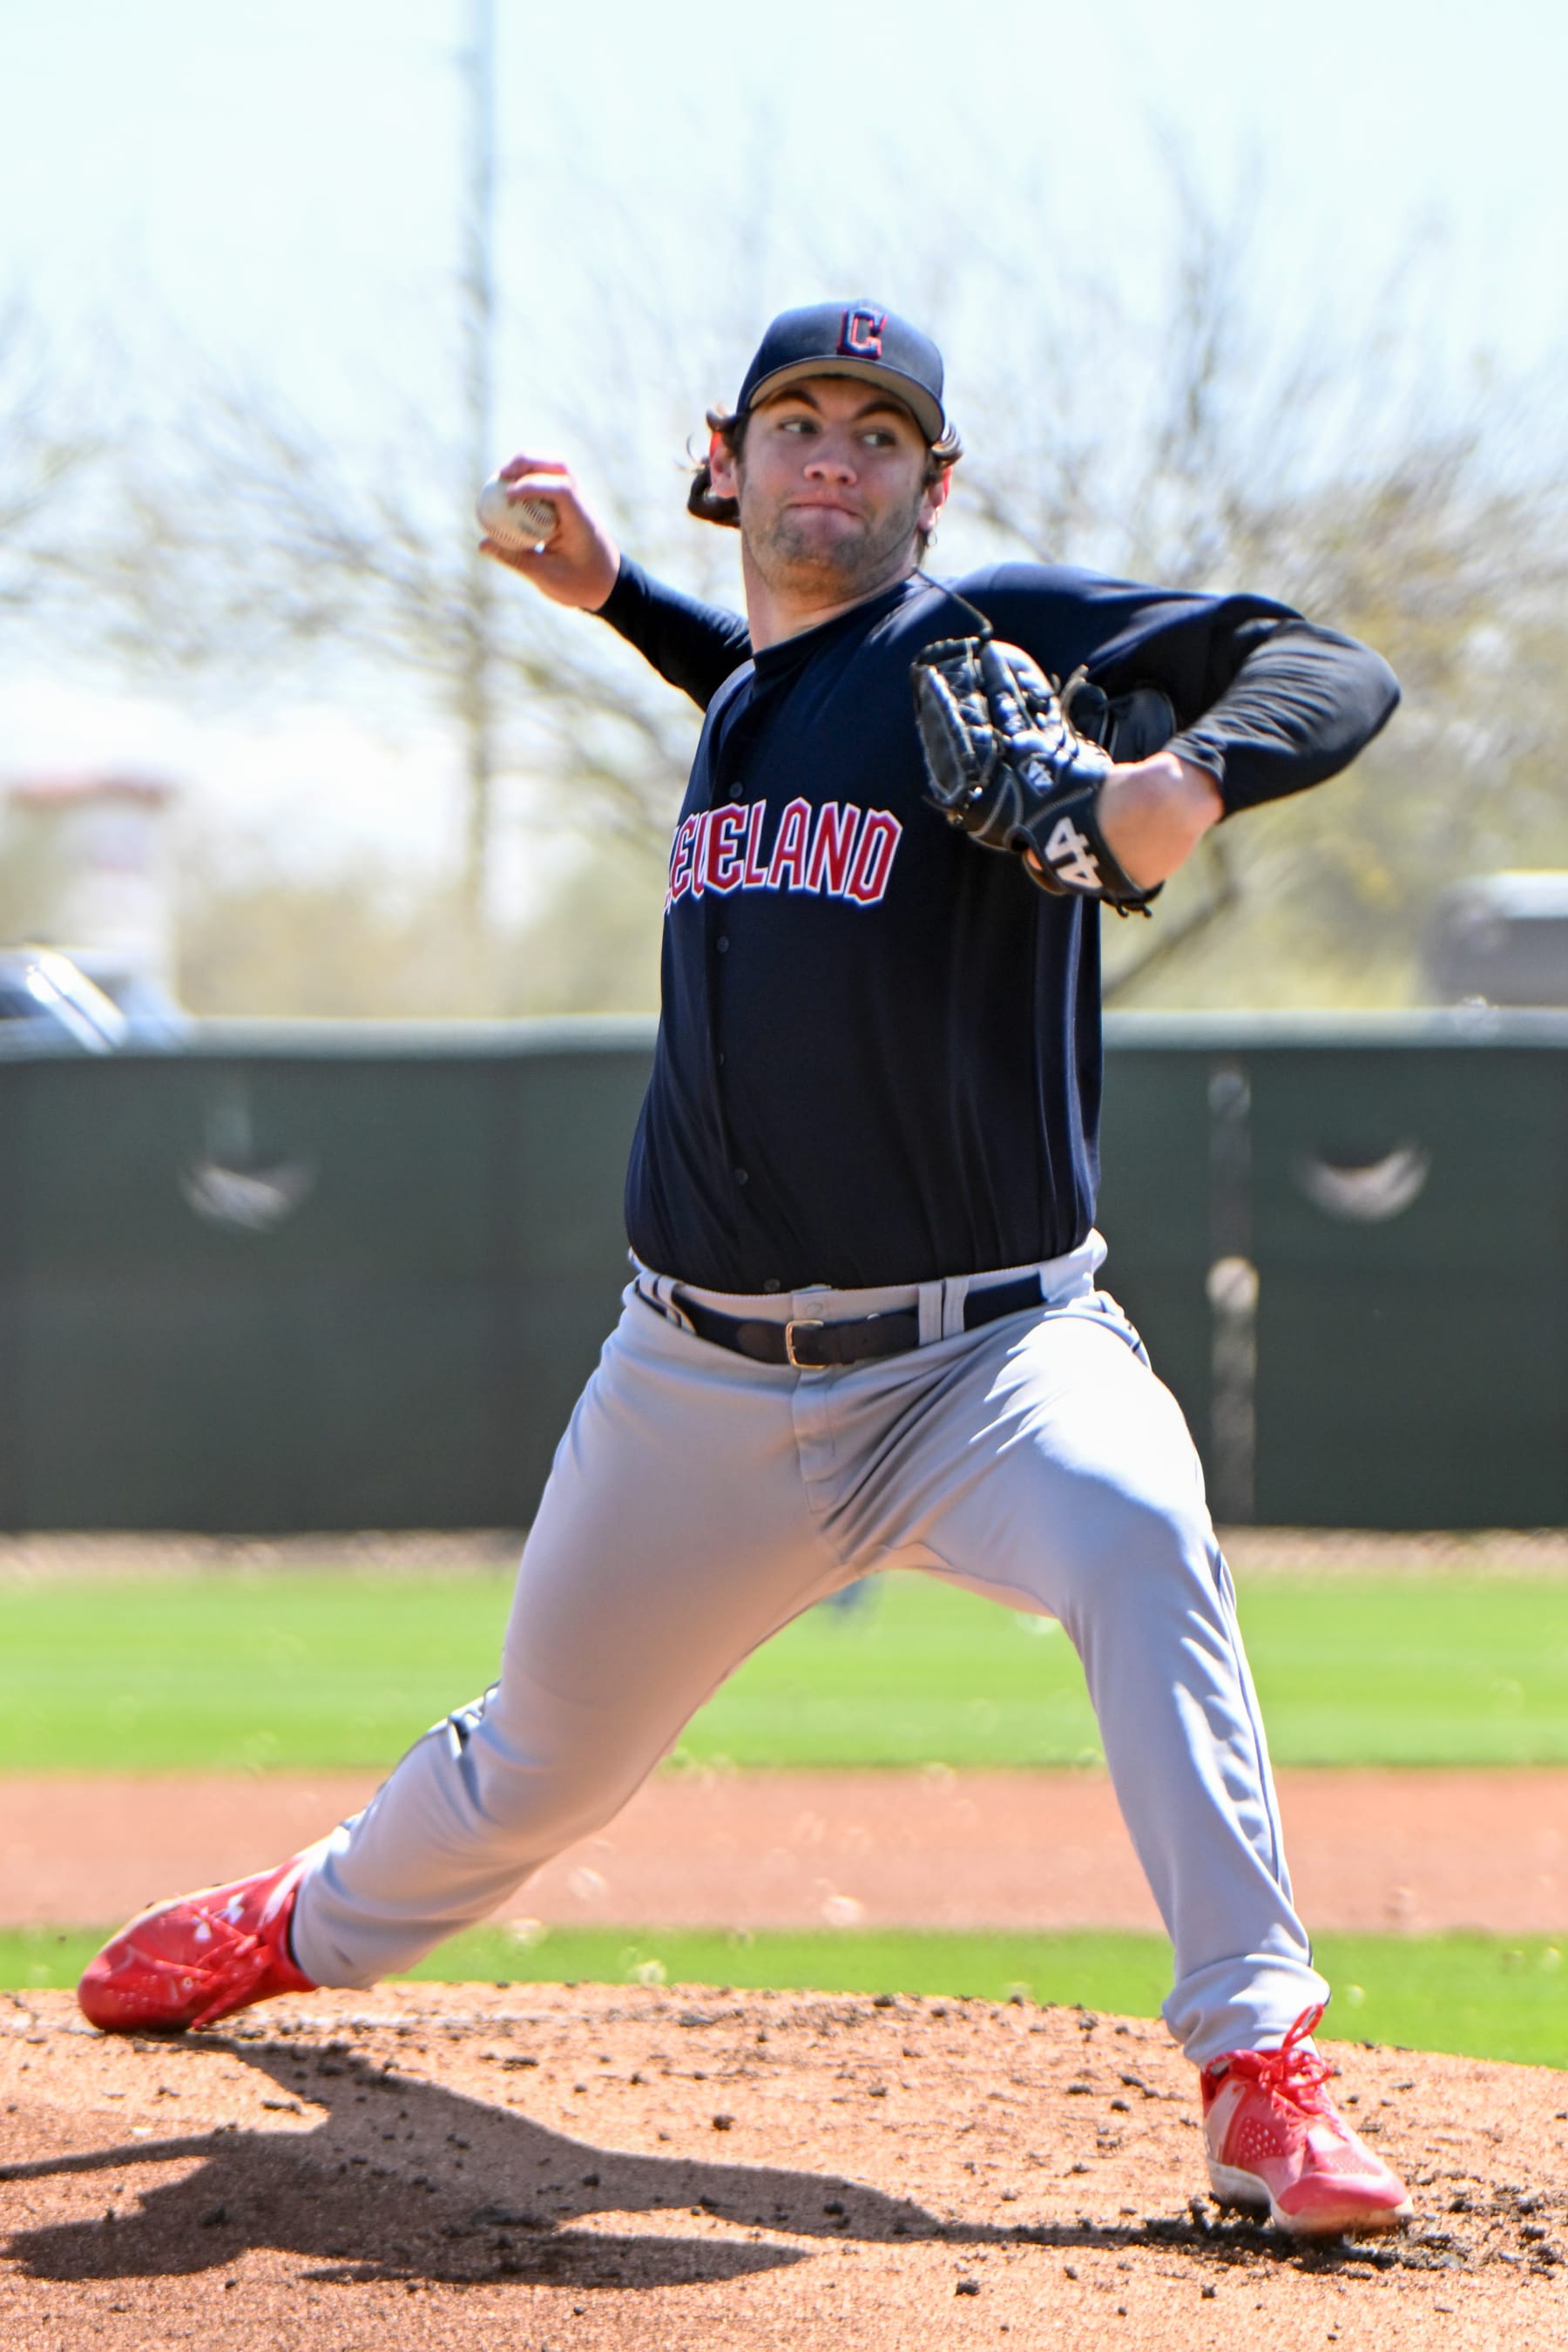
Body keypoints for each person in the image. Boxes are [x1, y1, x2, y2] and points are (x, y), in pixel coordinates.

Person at [79, 301, 1411, 2240]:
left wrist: (1184, 777)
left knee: (1142, 1539)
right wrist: (618, 593)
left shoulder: (995, 642)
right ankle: (300, 1923)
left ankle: (1260, 2070)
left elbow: (1326, 660)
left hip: (990, 1364)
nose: (832, 457)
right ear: (729, 462)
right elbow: (769, 680)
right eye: (798, 419)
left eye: (880, 434)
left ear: (932, 487)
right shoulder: (759, 697)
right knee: (537, 1769)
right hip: (692, 1384)